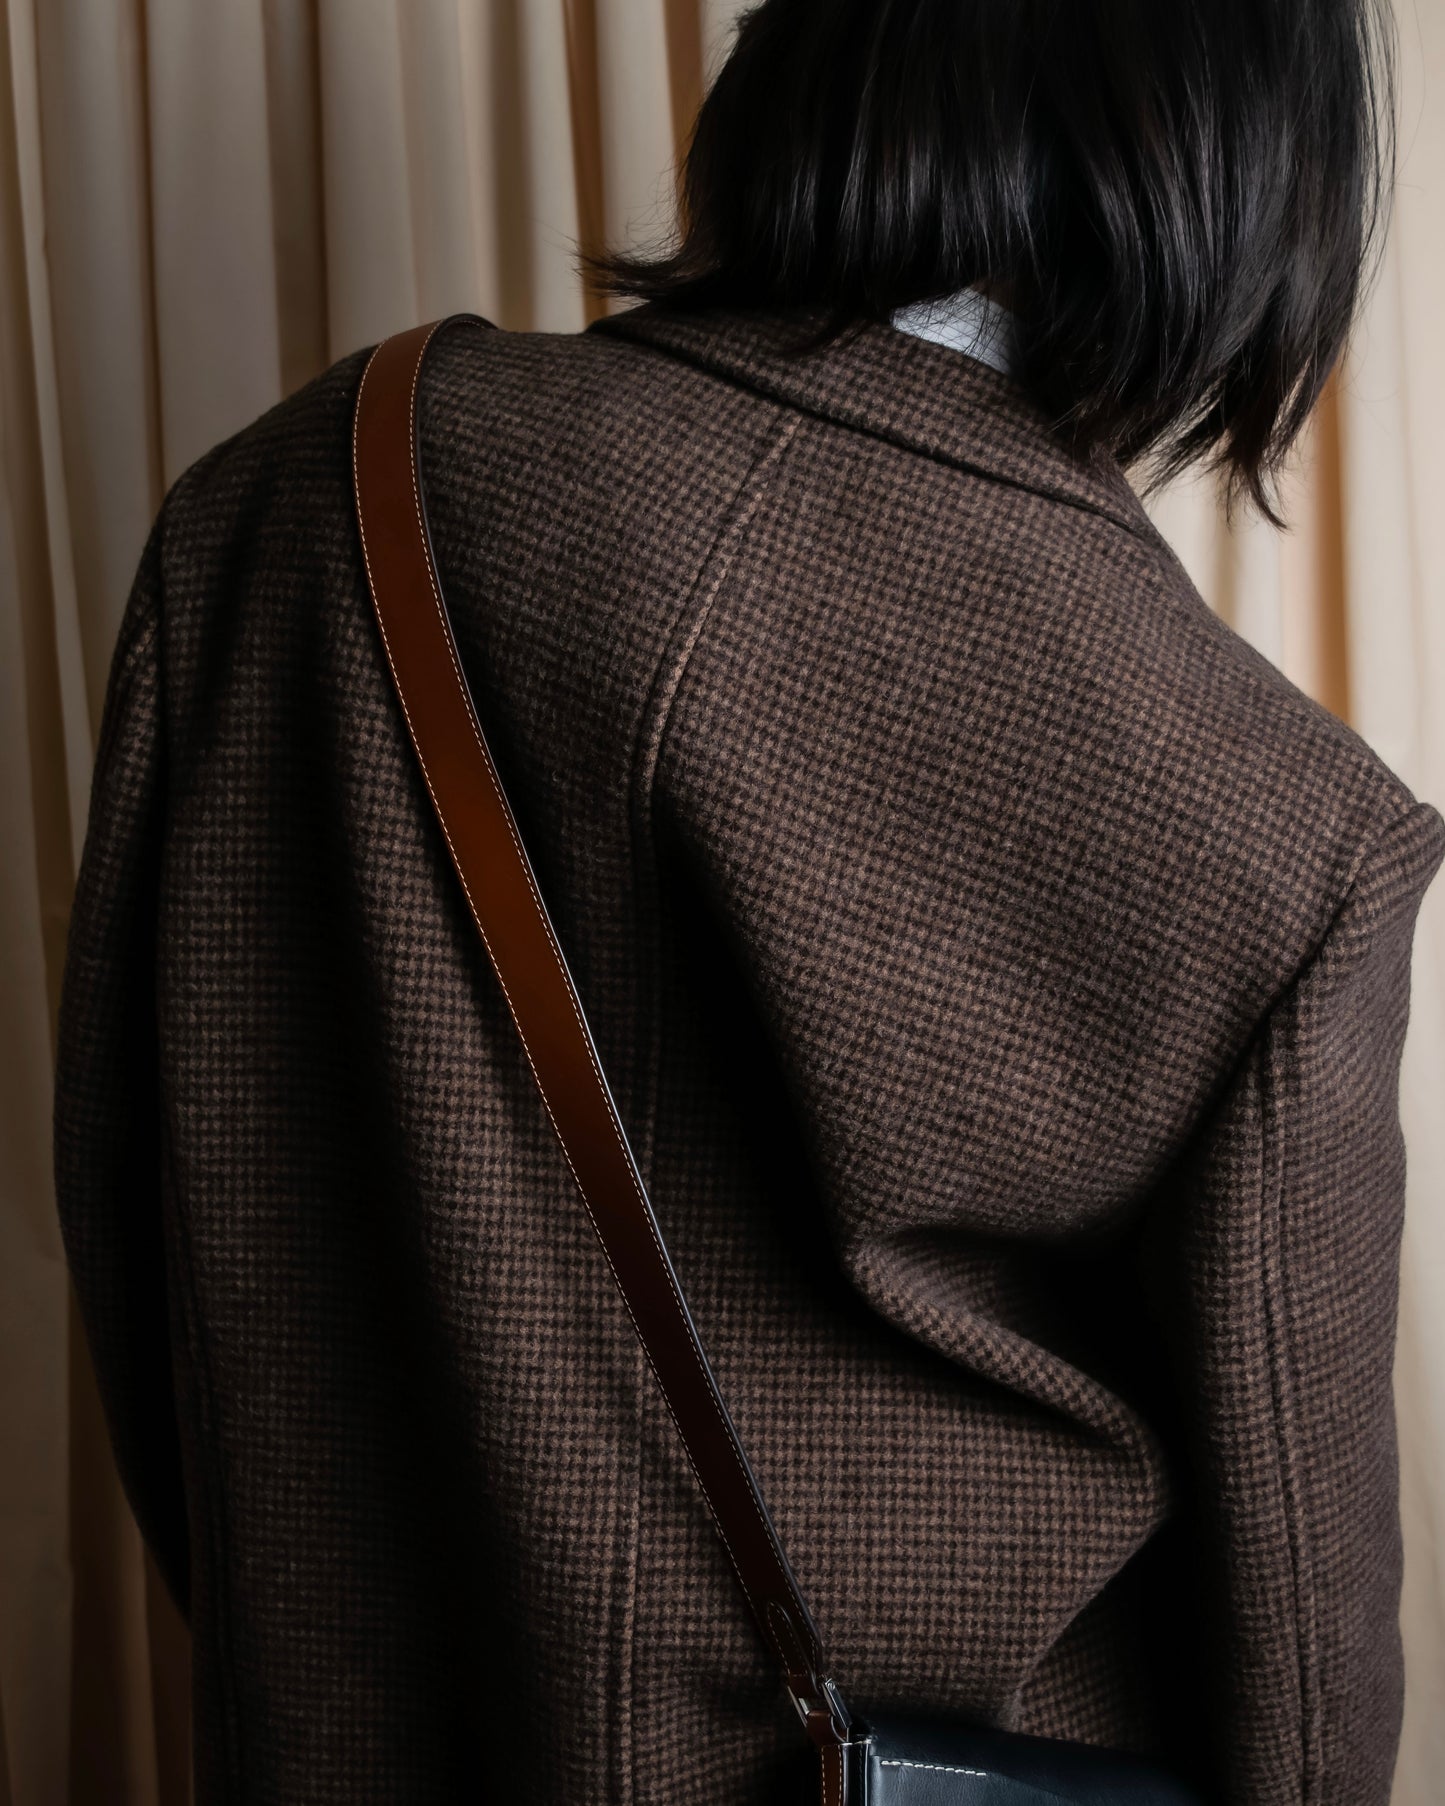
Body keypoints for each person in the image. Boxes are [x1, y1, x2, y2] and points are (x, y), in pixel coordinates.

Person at [54, 2, 1441, 1802]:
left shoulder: (298, 498)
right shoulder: (1277, 825)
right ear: (1232, 174)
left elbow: (147, 1233)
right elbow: (1297, 1667)